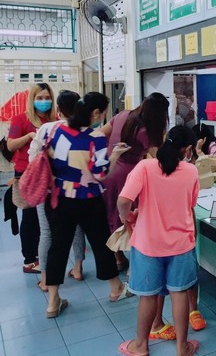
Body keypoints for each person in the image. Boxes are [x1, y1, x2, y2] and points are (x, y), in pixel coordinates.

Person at [45, 92, 131, 319]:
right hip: (88, 199)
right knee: (101, 242)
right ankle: (116, 288)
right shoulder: (95, 137)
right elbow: (100, 173)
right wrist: (115, 155)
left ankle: (53, 301)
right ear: (95, 113)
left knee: (58, 246)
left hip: (59, 197)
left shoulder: (56, 130)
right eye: (102, 114)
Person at [117, 125, 200, 356]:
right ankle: (182, 347)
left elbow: (123, 200)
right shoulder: (191, 171)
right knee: (179, 293)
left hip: (148, 244)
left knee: (148, 296)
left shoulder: (145, 167)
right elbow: (190, 205)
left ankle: (141, 345)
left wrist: (127, 217)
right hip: (181, 243)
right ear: (188, 149)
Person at [101, 92, 169, 271]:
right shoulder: (145, 131)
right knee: (131, 218)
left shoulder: (123, 115)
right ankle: (136, 263)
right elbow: (161, 158)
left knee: (112, 215)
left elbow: (100, 134)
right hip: (128, 175)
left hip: (108, 170)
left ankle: (117, 258)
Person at [28, 90, 85, 291]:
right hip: (74, 189)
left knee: (46, 232)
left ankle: (45, 279)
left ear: (58, 109)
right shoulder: (84, 130)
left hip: (48, 189)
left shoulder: (47, 128)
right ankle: (78, 268)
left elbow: (33, 157)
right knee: (77, 228)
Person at [7, 83, 57, 273]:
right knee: (30, 216)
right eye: (39, 98)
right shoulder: (21, 119)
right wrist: (29, 136)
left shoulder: (54, 120)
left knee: (46, 217)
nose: (44, 101)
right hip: (26, 174)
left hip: (48, 173)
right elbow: (10, 146)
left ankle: (42, 254)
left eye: (47, 98)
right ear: (32, 99)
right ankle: (29, 259)